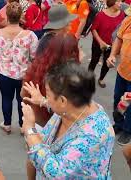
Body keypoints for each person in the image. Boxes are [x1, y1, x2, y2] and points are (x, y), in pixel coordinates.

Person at [22, 61, 115, 179]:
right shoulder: (77, 104)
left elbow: (56, 173)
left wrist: (30, 130)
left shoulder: (92, 137)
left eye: (48, 94)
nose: (46, 96)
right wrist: (43, 101)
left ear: (62, 101)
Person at [0, 2, 38, 134]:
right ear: (21, 16)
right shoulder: (30, 35)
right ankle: (22, 125)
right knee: (22, 100)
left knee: (6, 98)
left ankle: (7, 124)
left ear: (7, 17)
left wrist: (1, 60)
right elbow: (34, 56)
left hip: (4, 73)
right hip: (23, 73)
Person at [22, 33, 80, 127]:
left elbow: (24, 95)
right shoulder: (73, 76)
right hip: (61, 126)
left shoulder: (36, 67)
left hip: (38, 120)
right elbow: (72, 110)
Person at [107, 12, 131, 145]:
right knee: (118, 98)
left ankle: (128, 129)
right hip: (122, 71)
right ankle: (119, 123)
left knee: (129, 103)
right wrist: (112, 55)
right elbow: (119, 38)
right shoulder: (128, 21)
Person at [88, 0, 124, 88]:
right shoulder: (100, 15)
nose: (121, 4)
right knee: (94, 60)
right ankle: (88, 78)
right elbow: (93, 29)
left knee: (107, 64)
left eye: (121, 1)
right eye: (118, 2)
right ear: (112, 3)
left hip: (112, 45)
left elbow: (120, 31)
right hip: (98, 43)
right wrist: (101, 43)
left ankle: (101, 79)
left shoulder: (122, 14)